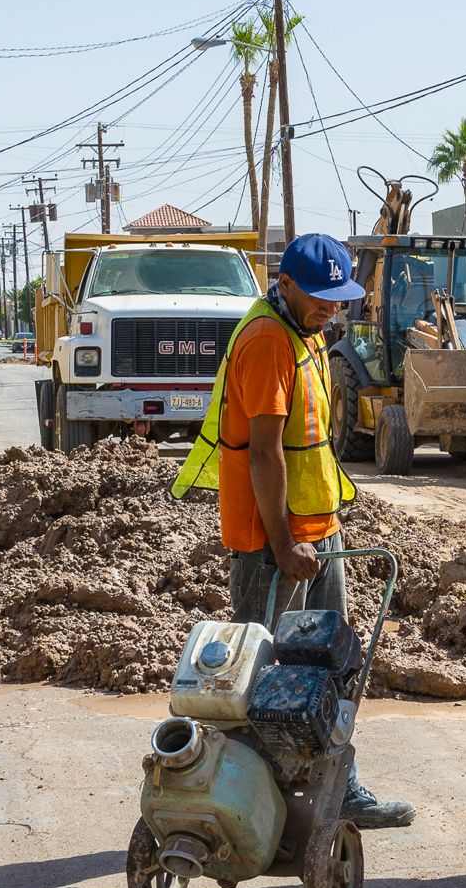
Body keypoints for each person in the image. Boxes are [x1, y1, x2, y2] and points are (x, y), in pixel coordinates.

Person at [174, 233, 414, 829]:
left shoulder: (306, 334)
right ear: (284, 286)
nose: (331, 307)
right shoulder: (265, 341)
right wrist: (283, 546)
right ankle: (246, 798)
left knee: (332, 658)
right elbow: (264, 455)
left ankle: (341, 786)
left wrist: (318, 531)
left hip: (317, 527)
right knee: (261, 671)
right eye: (320, 297)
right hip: (272, 541)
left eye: (339, 297)